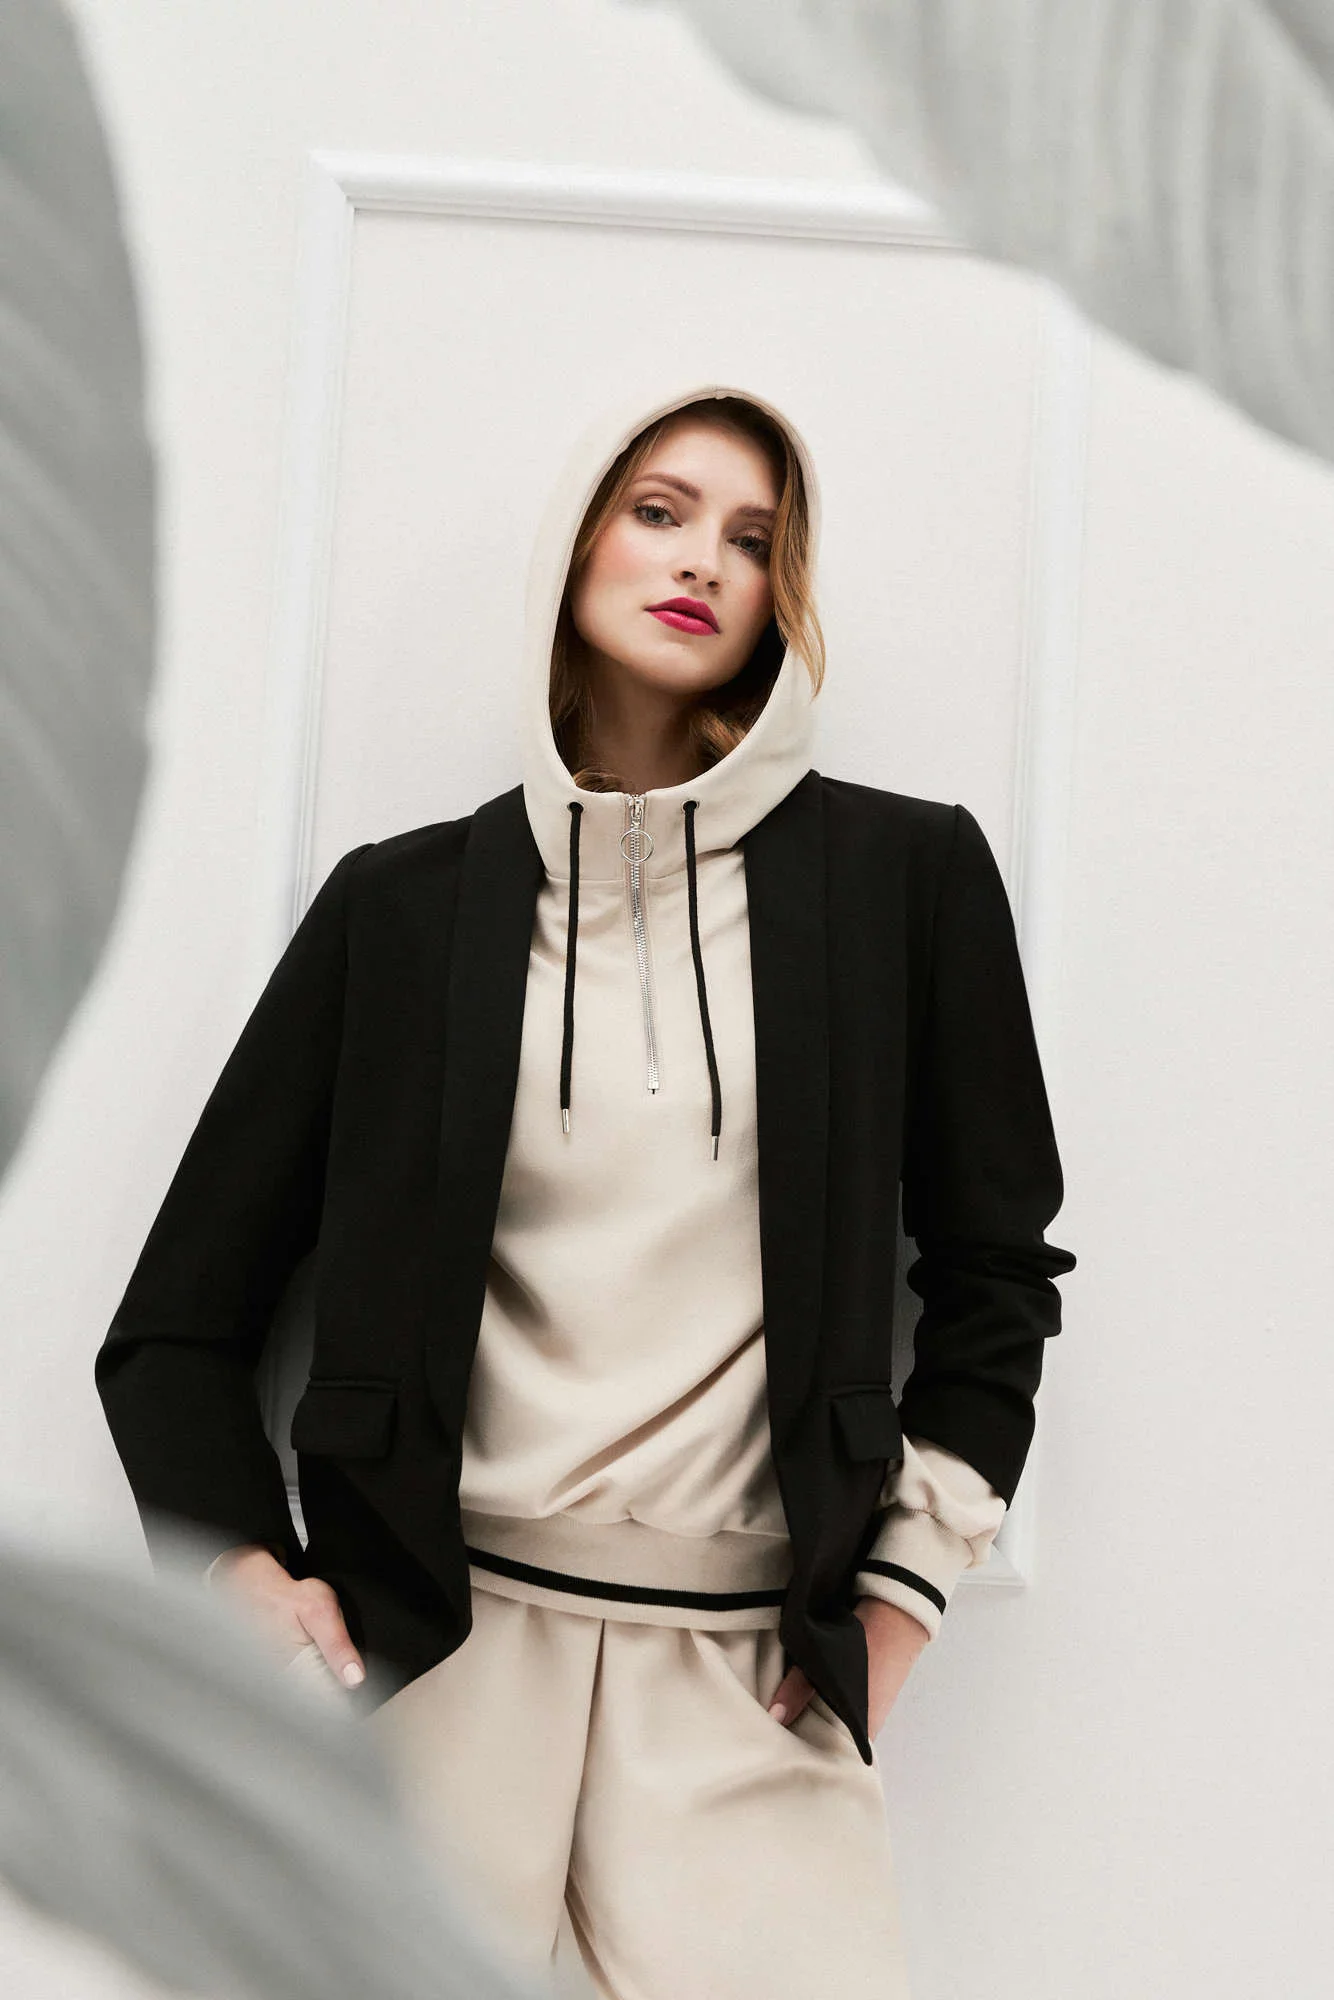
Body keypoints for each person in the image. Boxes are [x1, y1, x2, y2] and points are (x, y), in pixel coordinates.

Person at [96, 376, 1077, 1999]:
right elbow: (174, 1332)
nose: (701, 560)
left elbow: (996, 1277)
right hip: (435, 1660)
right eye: (659, 511)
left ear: (782, 593)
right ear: (576, 543)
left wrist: (900, 1602)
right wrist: (245, 1577)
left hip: (748, 1673)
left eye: (751, 539)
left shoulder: (904, 881)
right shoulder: (400, 910)